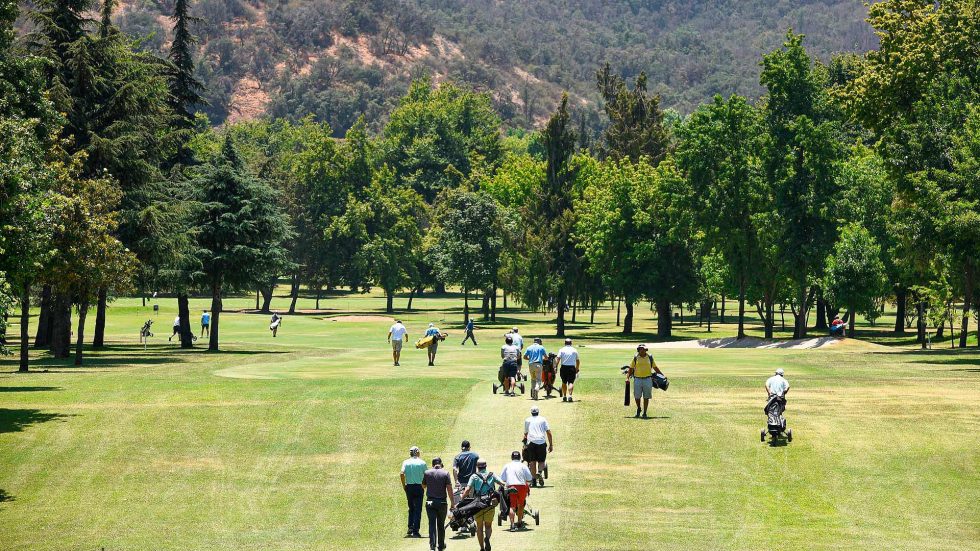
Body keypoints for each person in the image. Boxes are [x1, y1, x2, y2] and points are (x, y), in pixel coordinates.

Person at [461, 459, 504, 551]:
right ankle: (487, 538)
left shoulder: (474, 476)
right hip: (490, 504)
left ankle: (481, 548)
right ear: (485, 466)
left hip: (478, 504)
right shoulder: (492, 475)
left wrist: (462, 499)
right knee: (488, 526)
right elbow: (503, 483)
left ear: (477, 467)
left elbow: (467, 489)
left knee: (479, 527)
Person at [422, 457, 454, 551]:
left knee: (431, 523)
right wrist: (452, 502)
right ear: (441, 464)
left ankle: (432, 545)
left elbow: (423, 486)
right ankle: (441, 545)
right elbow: (449, 489)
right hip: (442, 502)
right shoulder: (445, 473)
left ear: (432, 465)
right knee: (441, 524)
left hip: (430, 501)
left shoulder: (427, 473)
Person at [627, 344, 665, 419]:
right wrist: (627, 378)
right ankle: (639, 408)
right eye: (641, 349)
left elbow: (655, 368)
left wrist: (662, 375)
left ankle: (645, 412)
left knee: (646, 397)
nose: (642, 350)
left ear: (646, 350)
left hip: (648, 379)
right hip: (637, 379)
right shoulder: (636, 357)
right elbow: (631, 369)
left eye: (644, 349)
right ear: (638, 350)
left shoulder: (649, 357)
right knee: (637, 396)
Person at [500, 451, 533, 531]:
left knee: (512, 506)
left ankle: (512, 525)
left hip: (511, 487)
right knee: (521, 505)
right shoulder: (523, 466)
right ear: (520, 457)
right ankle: (519, 522)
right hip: (522, 486)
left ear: (512, 457)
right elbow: (529, 478)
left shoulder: (507, 466)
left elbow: (502, 479)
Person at [400, 446, 427, 538]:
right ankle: (416, 531)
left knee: (411, 508)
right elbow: (427, 474)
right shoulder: (422, 462)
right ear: (417, 452)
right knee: (418, 509)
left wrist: (404, 485)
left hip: (409, 487)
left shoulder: (406, 462)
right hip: (419, 487)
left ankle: (410, 527)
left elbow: (402, 473)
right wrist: (424, 485)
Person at [523, 406, 552, 487]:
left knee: (532, 462)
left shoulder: (528, 420)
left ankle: (534, 479)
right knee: (542, 461)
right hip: (541, 442)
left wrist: (524, 444)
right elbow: (549, 432)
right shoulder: (543, 419)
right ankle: (539, 472)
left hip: (531, 442)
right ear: (538, 412)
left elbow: (525, 434)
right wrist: (551, 444)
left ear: (531, 412)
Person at [557, 338, 580, 402]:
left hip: (563, 367)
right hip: (571, 368)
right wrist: (577, 369)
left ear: (565, 343)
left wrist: (555, 367)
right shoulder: (574, 350)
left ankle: (564, 396)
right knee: (570, 382)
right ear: (571, 343)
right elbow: (578, 361)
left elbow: (558, 359)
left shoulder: (561, 350)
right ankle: (570, 396)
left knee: (564, 382)